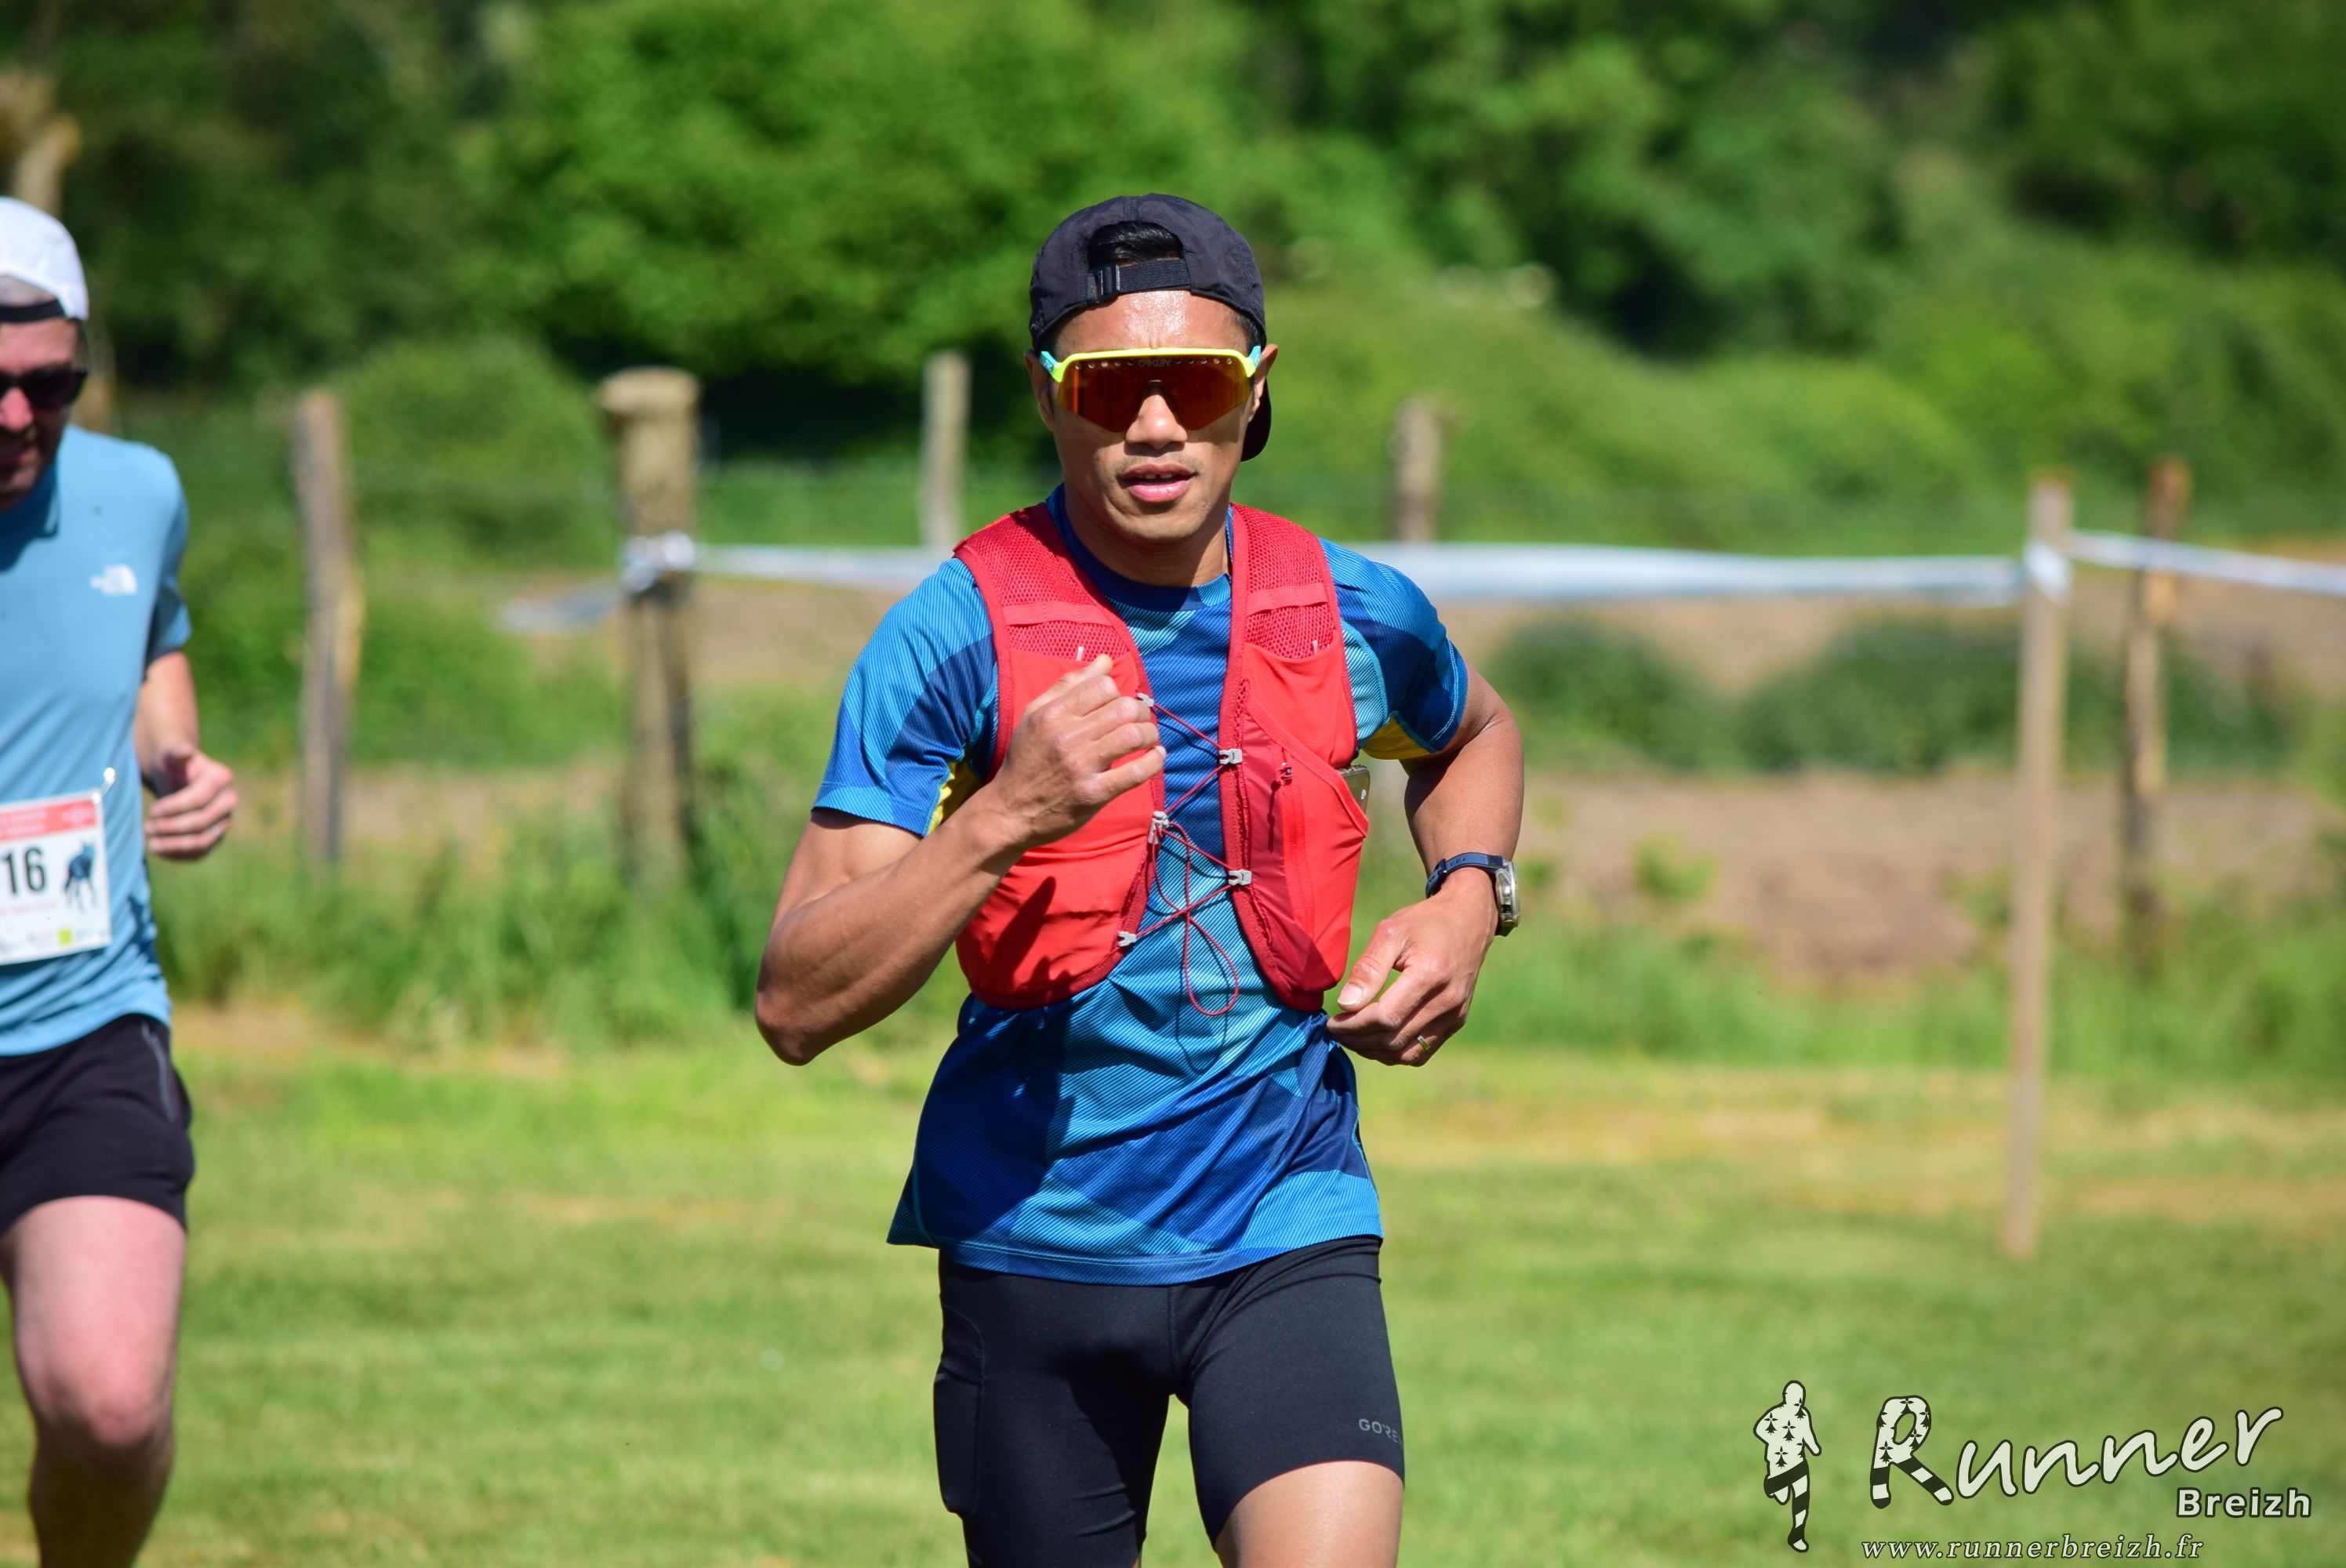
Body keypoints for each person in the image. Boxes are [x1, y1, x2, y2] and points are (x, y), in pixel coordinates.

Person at [756, 194, 1523, 1568]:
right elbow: (796, 1003)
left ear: (1256, 390)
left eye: (1198, 383)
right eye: (1112, 388)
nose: (1157, 426)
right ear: (1049, 395)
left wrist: (1468, 892)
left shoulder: (1357, 611)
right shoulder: (953, 634)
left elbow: (1475, 733)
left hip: (1287, 1222)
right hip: (1032, 1245)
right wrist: (1003, 818)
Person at [0, 198, 238, 1567]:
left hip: (83, 1022)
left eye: (52, 385)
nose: (19, 418)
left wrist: (174, 761)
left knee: (107, 1406)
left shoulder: (138, 491)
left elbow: (152, 635)